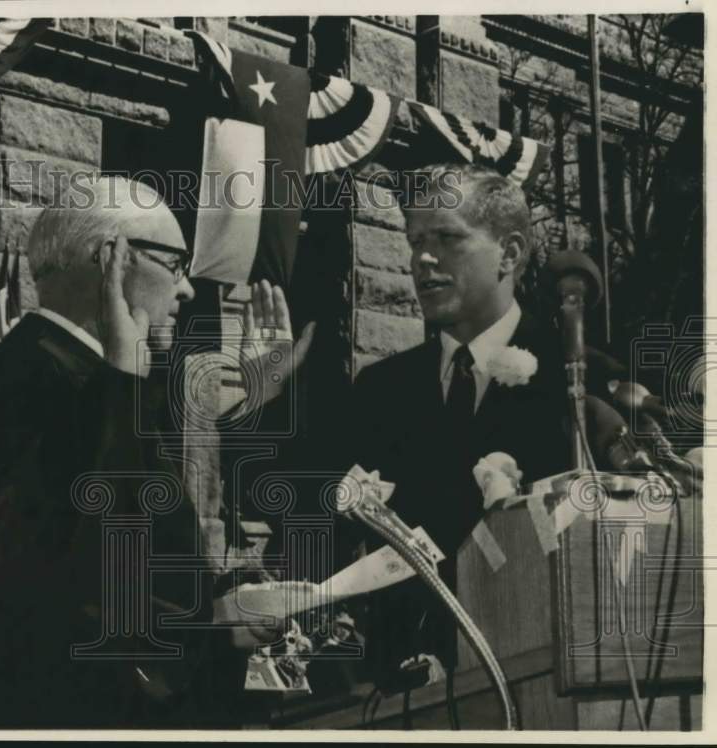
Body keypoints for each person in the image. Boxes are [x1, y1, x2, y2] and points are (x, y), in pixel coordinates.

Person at [0, 177, 256, 729]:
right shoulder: (44, 384)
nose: (186, 289)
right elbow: (82, 595)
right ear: (111, 259)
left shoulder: (58, 371)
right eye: (174, 263)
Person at [242, 164, 574, 690]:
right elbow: (289, 503)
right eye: (415, 240)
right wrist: (265, 393)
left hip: (538, 673)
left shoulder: (572, 379)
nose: (423, 258)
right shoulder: (383, 388)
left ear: (509, 253)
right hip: (402, 691)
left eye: (447, 238)